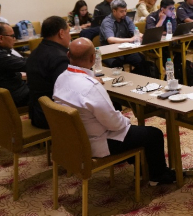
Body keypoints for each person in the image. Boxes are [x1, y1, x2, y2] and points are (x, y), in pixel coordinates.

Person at [53, 38, 176, 185]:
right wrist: (127, 121)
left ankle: (142, 170)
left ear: (68, 55)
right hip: (95, 143)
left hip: (73, 141)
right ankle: (158, 176)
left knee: (135, 132)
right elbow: (116, 124)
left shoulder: (61, 78)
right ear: (93, 58)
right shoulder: (91, 87)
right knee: (153, 134)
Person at [26, 16, 70, 128]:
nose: (70, 37)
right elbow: (68, 91)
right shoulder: (59, 57)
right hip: (51, 116)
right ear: (61, 33)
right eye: (68, 32)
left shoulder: (35, 52)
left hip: (36, 112)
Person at [99, 0, 145, 70]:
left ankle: (134, 76)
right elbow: (110, 39)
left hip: (125, 50)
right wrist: (130, 39)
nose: (124, 13)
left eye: (125, 11)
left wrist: (144, 36)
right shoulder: (107, 22)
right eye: (121, 11)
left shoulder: (126, 19)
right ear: (114, 11)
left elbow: (136, 31)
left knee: (141, 60)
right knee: (118, 66)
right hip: (110, 53)